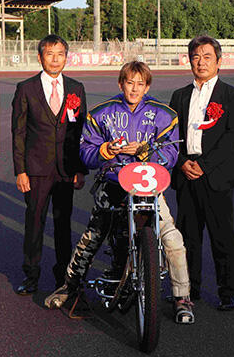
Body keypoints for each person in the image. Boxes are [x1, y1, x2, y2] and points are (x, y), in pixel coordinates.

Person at [44, 61, 195, 324]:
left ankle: (182, 297)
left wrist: (145, 150)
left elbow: (171, 154)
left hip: (148, 186)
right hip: (113, 183)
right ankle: (69, 286)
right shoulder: (101, 112)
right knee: (92, 236)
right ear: (120, 84)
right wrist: (106, 150)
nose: (134, 89)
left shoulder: (164, 114)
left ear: (147, 86)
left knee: (172, 239)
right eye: (129, 83)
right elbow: (86, 152)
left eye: (140, 84)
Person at [169, 35, 234, 311]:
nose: (201, 62)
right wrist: (182, 162)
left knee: (222, 235)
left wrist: (205, 165)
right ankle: (188, 289)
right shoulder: (179, 96)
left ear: (219, 61)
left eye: (207, 57)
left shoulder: (232, 95)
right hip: (186, 173)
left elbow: (231, 136)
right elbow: (172, 135)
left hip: (216, 175)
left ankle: (228, 291)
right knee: (187, 237)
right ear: (189, 61)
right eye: (196, 57)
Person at [11, 34, 88, 295]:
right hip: (36, 170)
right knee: (34, 223)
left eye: (60, 54)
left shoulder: (76, 88)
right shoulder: (26, 88)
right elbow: (19, 132)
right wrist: (21, 170)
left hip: (66, 170)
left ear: (66, 57)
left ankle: (63, 276)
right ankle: (31, 275)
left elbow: (81, 132)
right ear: (40, 57)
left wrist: (79, 169)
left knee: (63, 224)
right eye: (49, 54)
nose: (55, 59)